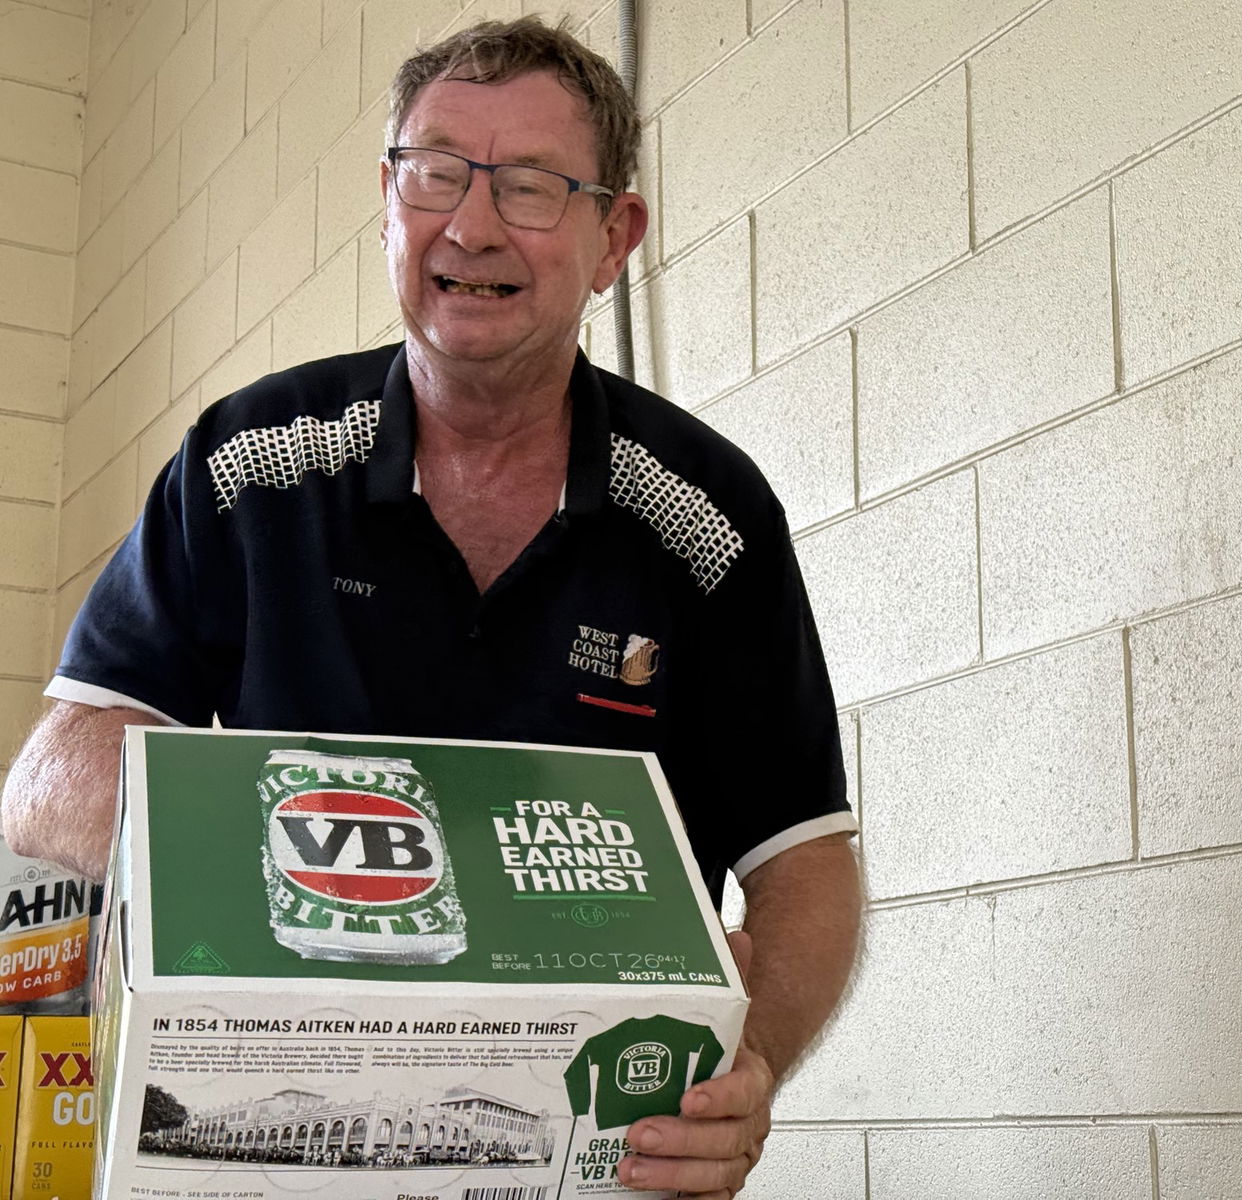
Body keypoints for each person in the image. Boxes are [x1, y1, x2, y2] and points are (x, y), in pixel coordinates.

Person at [0, 17, 861, 1198]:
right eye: (436, 172)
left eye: (532, 186)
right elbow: (51, 778)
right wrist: (283, 866)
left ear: (615, 237)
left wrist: (741, 1066)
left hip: (581, 1158)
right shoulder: (249, 462)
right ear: (390, 199)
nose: (470, 224)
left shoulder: (709, 519)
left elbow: (803, 863)